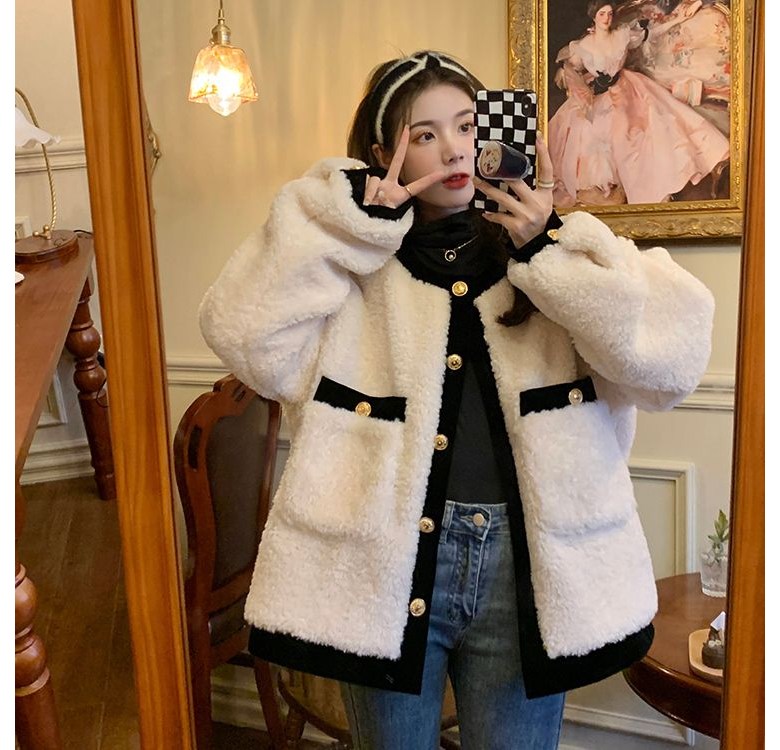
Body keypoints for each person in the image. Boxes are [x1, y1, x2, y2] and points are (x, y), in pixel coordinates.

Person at [199, 50, 714, 749]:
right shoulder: (353, 265)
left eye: (468, 126)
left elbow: (669, 368)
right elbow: (242, 334)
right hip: (382, 565)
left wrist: (550, 250)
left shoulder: (560, 250)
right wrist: (344, 219)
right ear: (382, 155)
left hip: (525, 572)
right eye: (424, 134)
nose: (454, 150)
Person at [548, 1, 730, 206]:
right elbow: (569, 70)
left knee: (649, 122)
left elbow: (653, 34)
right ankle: (606, 186)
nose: (607, 18)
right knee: (594, 130)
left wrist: (679, 17)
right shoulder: (583, 46)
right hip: (598, 94)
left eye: (609, 13)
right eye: (602, 14)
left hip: (627, 86)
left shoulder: (622, 35)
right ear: (594, 17)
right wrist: (582, 87)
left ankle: (655, 182)